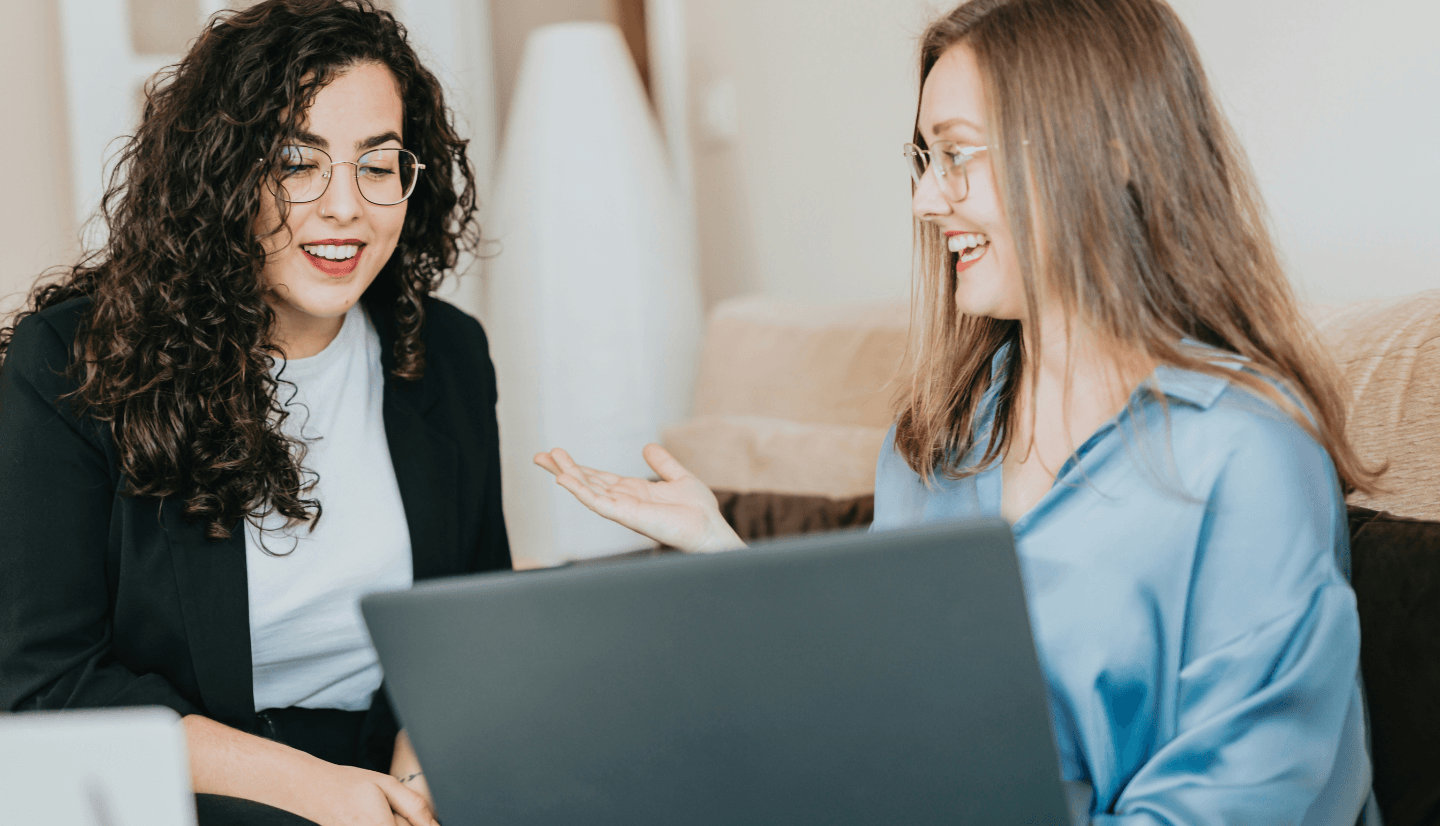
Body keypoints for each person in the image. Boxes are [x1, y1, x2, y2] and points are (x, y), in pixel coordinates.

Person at [536, 0, 1379, 822]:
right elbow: (884, 714)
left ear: (1110, 148)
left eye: (957, 156)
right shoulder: (933, 447)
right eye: (923, 160)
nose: (925, 202)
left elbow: (1246, 796)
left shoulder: (1246, 451)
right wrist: (723, 552)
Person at [0, 2, 508, 824]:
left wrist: (414, 789)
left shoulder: (445, 354)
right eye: (295, 162)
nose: (346, 206)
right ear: (219, 173)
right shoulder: (68, 362)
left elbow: (471, 625)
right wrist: (318, 792)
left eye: (377, 166)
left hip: (398, 771)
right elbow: (49, 680)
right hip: (194, 785)